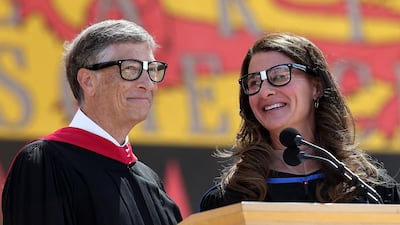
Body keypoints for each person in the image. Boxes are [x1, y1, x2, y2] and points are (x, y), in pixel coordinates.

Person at [2, 19, 182, 225]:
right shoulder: (45, 164)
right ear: (88, 81)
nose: (147, 83)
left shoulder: (151, 183)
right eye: (130, 69)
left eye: (152, 69)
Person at [199, 32, 399, 211]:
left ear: (316, 87)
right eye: (254, 82)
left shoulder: (371, 193)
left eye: (279, 76)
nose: (265, 91)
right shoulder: (228, 202)